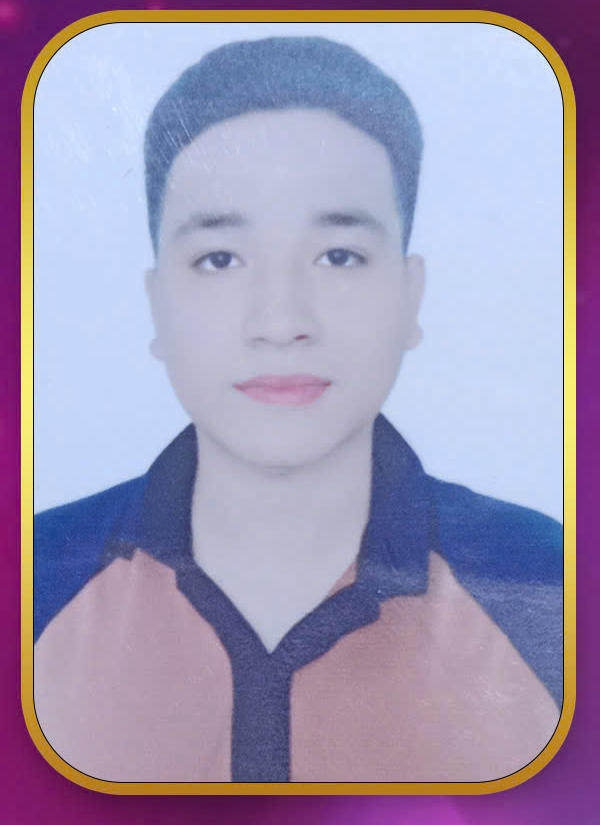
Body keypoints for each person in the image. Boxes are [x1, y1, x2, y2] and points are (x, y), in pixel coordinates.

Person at [33, 36, 562, 783]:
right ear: (158, 304)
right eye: (220, 259)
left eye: (338, 256)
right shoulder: (32, 582)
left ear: (410, 295)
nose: (280, 322)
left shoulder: (553, 591)